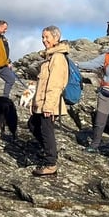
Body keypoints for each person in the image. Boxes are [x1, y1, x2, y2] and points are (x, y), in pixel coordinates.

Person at [29, 25, 70, 176]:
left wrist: (49, 106)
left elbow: (55, 84)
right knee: (33, 124)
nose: (44, 40)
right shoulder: (49, 56)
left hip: (49, 103)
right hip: (42, 101)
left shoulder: (57, 58)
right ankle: (46, 150)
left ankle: (51, 163)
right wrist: (35, 102)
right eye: (43, 37)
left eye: (47, 37)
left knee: (46, 131)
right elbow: (42, 83)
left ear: (56, 38)